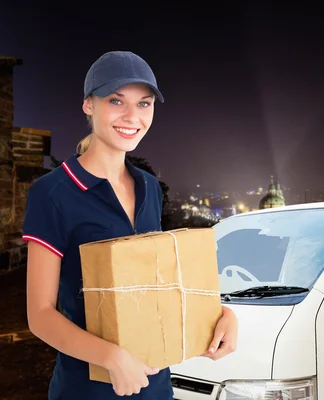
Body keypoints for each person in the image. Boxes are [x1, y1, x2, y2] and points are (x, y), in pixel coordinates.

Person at [21, 51, 238, 399]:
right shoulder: (53, 192)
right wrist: (111, 358)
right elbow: (41, 315)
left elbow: (158, 284)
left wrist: (222, 314)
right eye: (116, 101)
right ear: (88, 105)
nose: (132, 117)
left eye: (144, 104)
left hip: (157, 387)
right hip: (86, 390)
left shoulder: (149, 187)